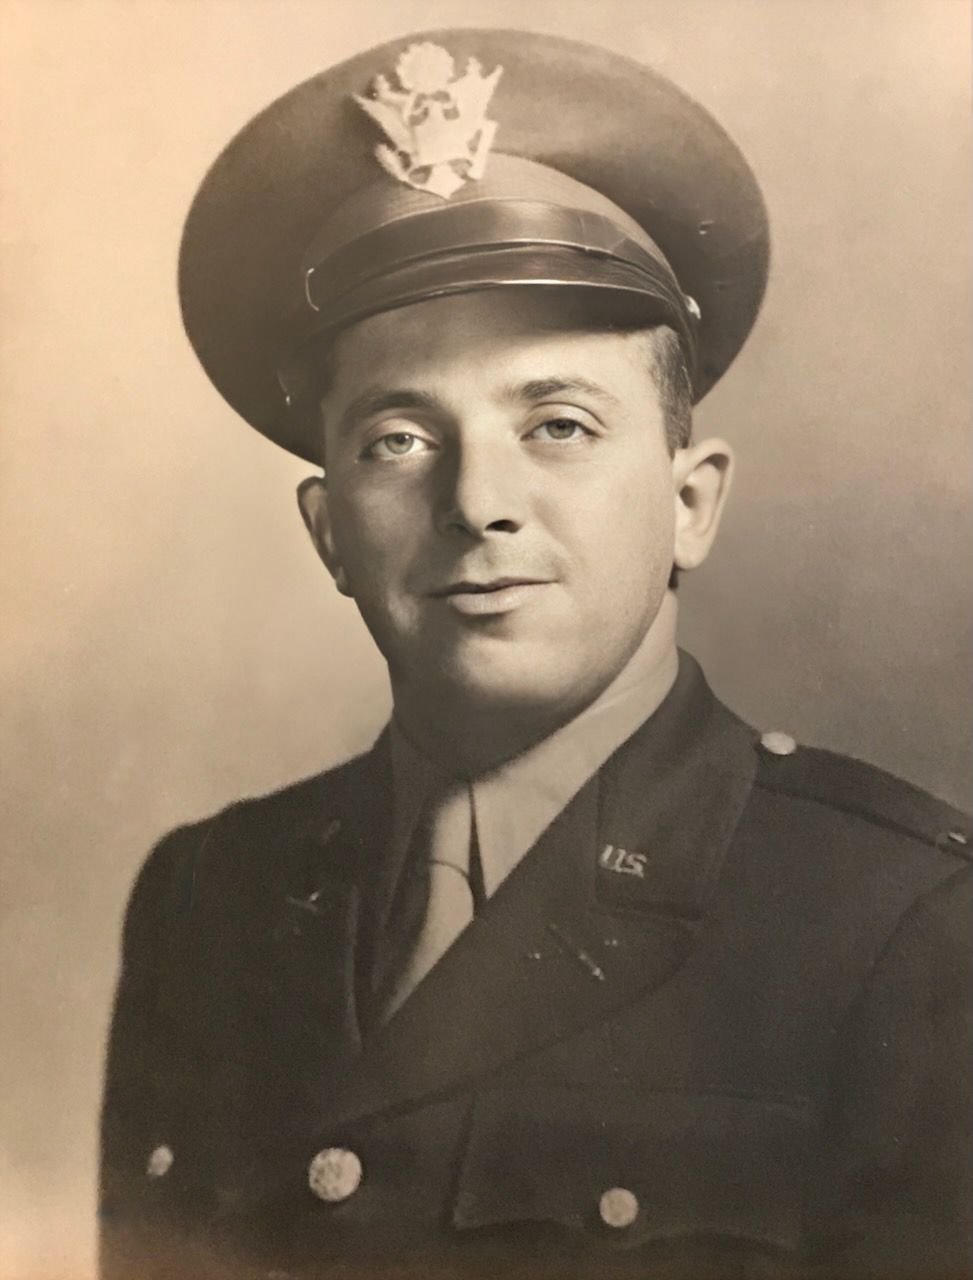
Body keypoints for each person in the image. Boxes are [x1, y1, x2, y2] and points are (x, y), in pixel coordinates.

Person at [99, 28, 972, 1280]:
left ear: (690, 502)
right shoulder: (209, 897)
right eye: (398, 440)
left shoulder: (905, 921)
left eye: (557, 424)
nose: (477, 503)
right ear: (328, 530)